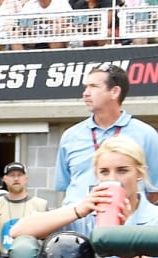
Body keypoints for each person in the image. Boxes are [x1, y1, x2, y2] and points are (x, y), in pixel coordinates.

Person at [12, 138, 158, 258]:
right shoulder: (86, 212)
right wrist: (77, 211)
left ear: (139, 173)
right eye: (104, 172)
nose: (113, 178)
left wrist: (117, 237)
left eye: (122, 170)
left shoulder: (153, 217)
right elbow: (18, 230)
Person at [54, 63, 158, 205]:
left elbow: (153, 190)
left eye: (93, 86)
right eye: (86, 87)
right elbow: (66, 186)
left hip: (125, 224)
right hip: (79, 222)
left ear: (114, 92)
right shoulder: (70, 136)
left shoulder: (146, 134)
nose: (85, 93)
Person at [0, 162, 48, 255]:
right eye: (12, 175)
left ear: (26, 178)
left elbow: (48, 240)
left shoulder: (40, 205)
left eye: (20, 175)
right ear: (4, 179)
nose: (16, 179)